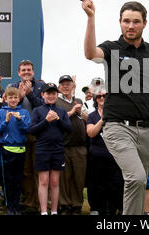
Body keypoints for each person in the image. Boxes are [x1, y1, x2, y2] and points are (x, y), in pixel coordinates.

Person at [81, 0, 149, 215]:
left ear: (144, 23)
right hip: (117, 127)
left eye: (135, 21)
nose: (130, 26)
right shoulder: (112, 48)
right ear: (120, 22)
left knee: (138, 183)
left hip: (147, 130)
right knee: (136, 177)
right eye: (126, 21)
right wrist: (90, 18)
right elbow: (90, 53)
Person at [29, 83, 72, 215]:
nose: (51, 96)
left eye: (54, 93)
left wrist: (58, 119)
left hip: (58, 150)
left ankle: (54, 211)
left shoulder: (62, 111)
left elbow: (69, 129)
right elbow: (31, 130)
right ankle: (43, 211)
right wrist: (46, 120)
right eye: (48, 93)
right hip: (42, 149)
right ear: (43, 95)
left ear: (57, 95)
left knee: (54, 182)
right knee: (44, 181)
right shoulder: (37, 111)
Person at [9, 60, 45, 211]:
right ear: (18, 72)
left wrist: (29, 94)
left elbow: (43, 108)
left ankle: (38, 203)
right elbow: (10, 107)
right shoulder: (13, 87)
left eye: (29, 70)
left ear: (33, 71)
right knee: (25, 170)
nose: (26, 72)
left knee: (38, 169)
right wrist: (21, 96)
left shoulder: (41, 86)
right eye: (23, 70)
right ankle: (28, 201)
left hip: (37, 133)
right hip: (20, 134)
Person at [86, 86, 124, 215]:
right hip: (97, 157)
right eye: (99, 96)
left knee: (115, 185)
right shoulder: (92, 116)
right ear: (95, 99)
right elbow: (90, 133)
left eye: (105, 95)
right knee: (97, 185)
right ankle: (97, 209)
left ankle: (113, 209)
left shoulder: (118, 115)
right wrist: (103, 120)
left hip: (115, 157)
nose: (102, 98)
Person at [0, 87, 31, 215]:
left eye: (15, 97)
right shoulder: (1, 112)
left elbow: (27, 129)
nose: (13, 100)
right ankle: (9, 206)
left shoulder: (24, 112)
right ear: (5, 99)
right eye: (10, 97)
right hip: (7, 150)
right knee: (8, 180)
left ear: (19, 99)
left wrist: (19, 119)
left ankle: (16, 205)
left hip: (21, 150)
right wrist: (6, 121)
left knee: (18, 179)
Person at [56, 75, 88, 215]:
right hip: (63, 146)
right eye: (62, 84)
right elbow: (57, 120)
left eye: (68, 84)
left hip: (80, 146)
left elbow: (89, 118)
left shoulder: (79, 100)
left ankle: (77, 205)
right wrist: (71, 112)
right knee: (64, 178)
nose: (65, 86)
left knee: (79, 178)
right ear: (59, 87)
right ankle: (64, 205)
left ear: (72, 86)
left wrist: (80, 111)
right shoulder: (56, 102)